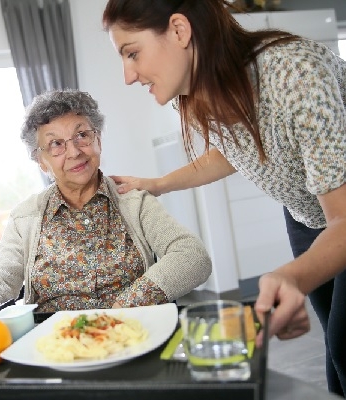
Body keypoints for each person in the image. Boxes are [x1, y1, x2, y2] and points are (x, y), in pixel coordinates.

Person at [102, 0, 346, 396]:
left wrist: (290, 275)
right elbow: (232, 152)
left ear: (180, 31)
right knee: (336, 351)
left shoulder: (295, 72)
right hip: (307, 218)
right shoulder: (203, 90)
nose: (128, 75)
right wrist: (158, 184)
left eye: (132, 53)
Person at [0, 89, 212, 337]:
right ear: (41, 161)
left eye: (82, 135)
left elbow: (192, 256)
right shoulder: (26, 217)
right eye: (55, 144)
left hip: (133, 335)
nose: (73, 151)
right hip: (56, 346)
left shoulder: (134, 201)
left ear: (98, 140)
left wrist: (125, 306)